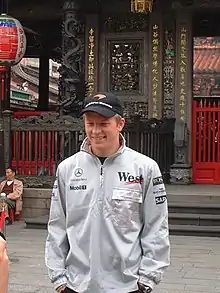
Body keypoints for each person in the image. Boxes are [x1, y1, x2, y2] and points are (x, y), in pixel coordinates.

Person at [45, 92, 170, 293]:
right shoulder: (67, 169)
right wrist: (59, 279)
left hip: (128, 285)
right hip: (76, 284)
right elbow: (57, 225)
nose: (96, 131)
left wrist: (147, 280)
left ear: (120, 124)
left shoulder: (145, 168)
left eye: (103, 124)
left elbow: (156, 226)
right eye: (90, 124)